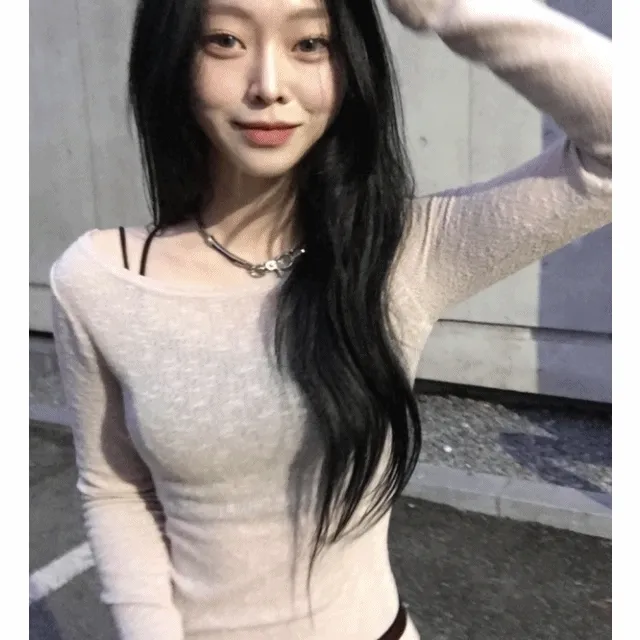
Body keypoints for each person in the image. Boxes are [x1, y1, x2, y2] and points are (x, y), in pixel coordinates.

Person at [49, 0, 611, 638]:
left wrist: (446, 7)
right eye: (225, 40)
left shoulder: (400, 256)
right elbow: (116, 487)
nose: (269, 85)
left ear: (350, 66)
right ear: (173, 58)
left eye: (309, 44)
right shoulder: (99, 279)